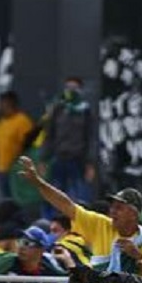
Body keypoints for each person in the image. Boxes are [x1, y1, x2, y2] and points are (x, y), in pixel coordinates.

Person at [42, 76, 97, 205]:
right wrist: (44, 159)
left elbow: (90, 137)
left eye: (74, 88)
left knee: (80, 197)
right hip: (59, 158)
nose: (71, 91)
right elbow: (49, 134)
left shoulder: (85, 110)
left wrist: (90, 163)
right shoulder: (58, 108)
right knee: (55, 195)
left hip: (78, 160)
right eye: (68, 87)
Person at [0, 90, 36, 200]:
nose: (0, 106)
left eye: (2, 103)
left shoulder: (22, 121)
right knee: (3, 199)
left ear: (11, 103)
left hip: (15, 169)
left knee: (16, 199)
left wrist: (21, 164)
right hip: (1, 169)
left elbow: (29, 146)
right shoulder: (0, 122)